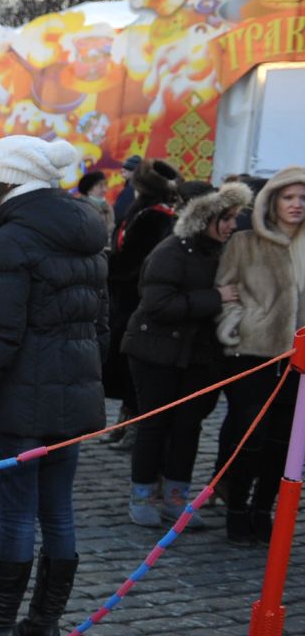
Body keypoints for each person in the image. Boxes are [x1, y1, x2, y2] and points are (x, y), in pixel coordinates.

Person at [0, 136, 108, 636]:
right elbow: (101, 324)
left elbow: (1, 333)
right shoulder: (85, 228)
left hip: (23, 399)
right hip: (74, 392)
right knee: (58, 511)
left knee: (18, 514)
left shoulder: (15, 237)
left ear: (5, 182)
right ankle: (43, 624)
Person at [121, 184, 249, 527]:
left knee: (187, 427)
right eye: (226, 218)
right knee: (155, 424)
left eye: (235, 218)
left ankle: (176, 500)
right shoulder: (170, 251)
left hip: (196, 355)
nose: (232, 225)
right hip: (155, 352)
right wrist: (215, 297)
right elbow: (158, 306)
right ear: (206, 218)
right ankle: (143, 496)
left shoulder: (220, 252)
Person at [214, 168, 305, 543]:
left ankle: (264, 509)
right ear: (273, 201)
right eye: (289, 197)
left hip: (299, 361)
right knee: (249, 436)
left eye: (303, 198)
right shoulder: (244, 242)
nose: (297, 204)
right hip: (254, 355)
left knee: (284, 445)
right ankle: (236, 508)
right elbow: (226, 288)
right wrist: (237, 326)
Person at [103, 160, 182, 446]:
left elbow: (135, 260)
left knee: (132, 368)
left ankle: (134, 424)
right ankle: (124, 421)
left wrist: (108, 265)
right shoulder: (141, 213)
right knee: (124, 366)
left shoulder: (156, 217)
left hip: (137, 300)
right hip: (124, 299)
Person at [77, 168, 115, 237]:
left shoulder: (108, 207)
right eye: (100, 186)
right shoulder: (82, 208)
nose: (105, 190)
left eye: (105, 185)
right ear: (89, 190)